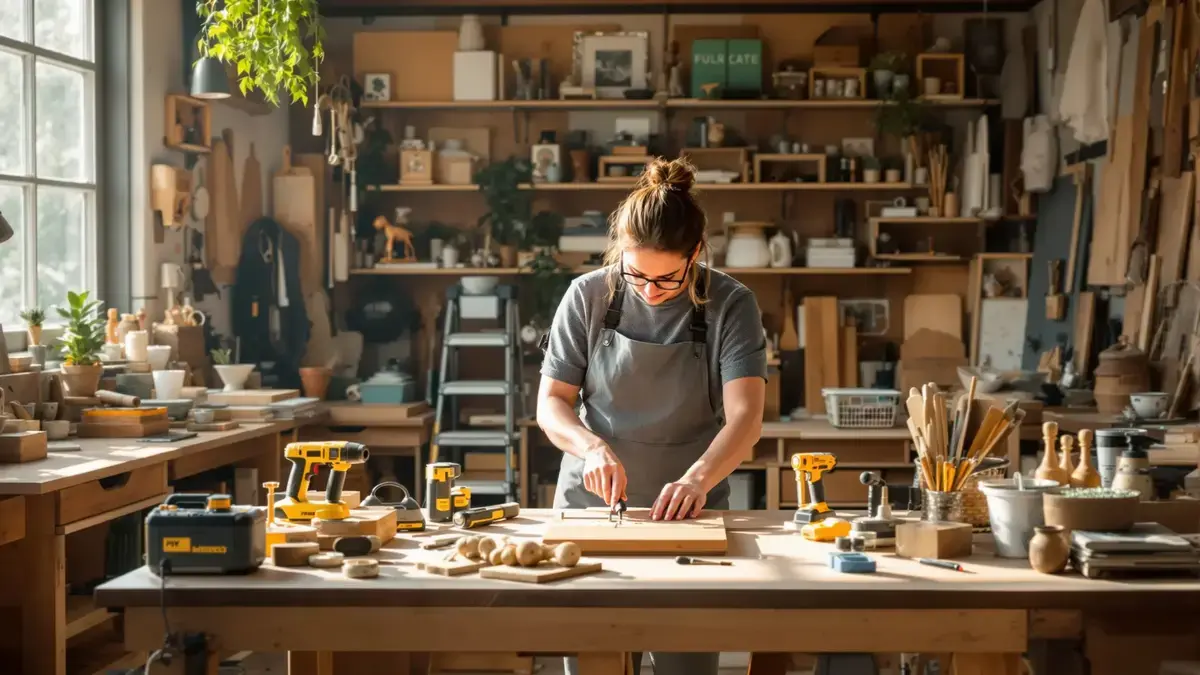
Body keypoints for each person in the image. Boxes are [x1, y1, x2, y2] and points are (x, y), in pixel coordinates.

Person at [537, 157, 767, 675]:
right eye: (635, 274)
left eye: (667, 279)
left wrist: (697, 480)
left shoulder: (733, 304)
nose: (650, 291)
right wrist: (591, 446)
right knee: (597, 659)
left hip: (690, 511)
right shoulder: (588, 295)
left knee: (687, 662)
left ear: (696, 254)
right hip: (593, 507)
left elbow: (746, 417)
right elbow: (551, 404)